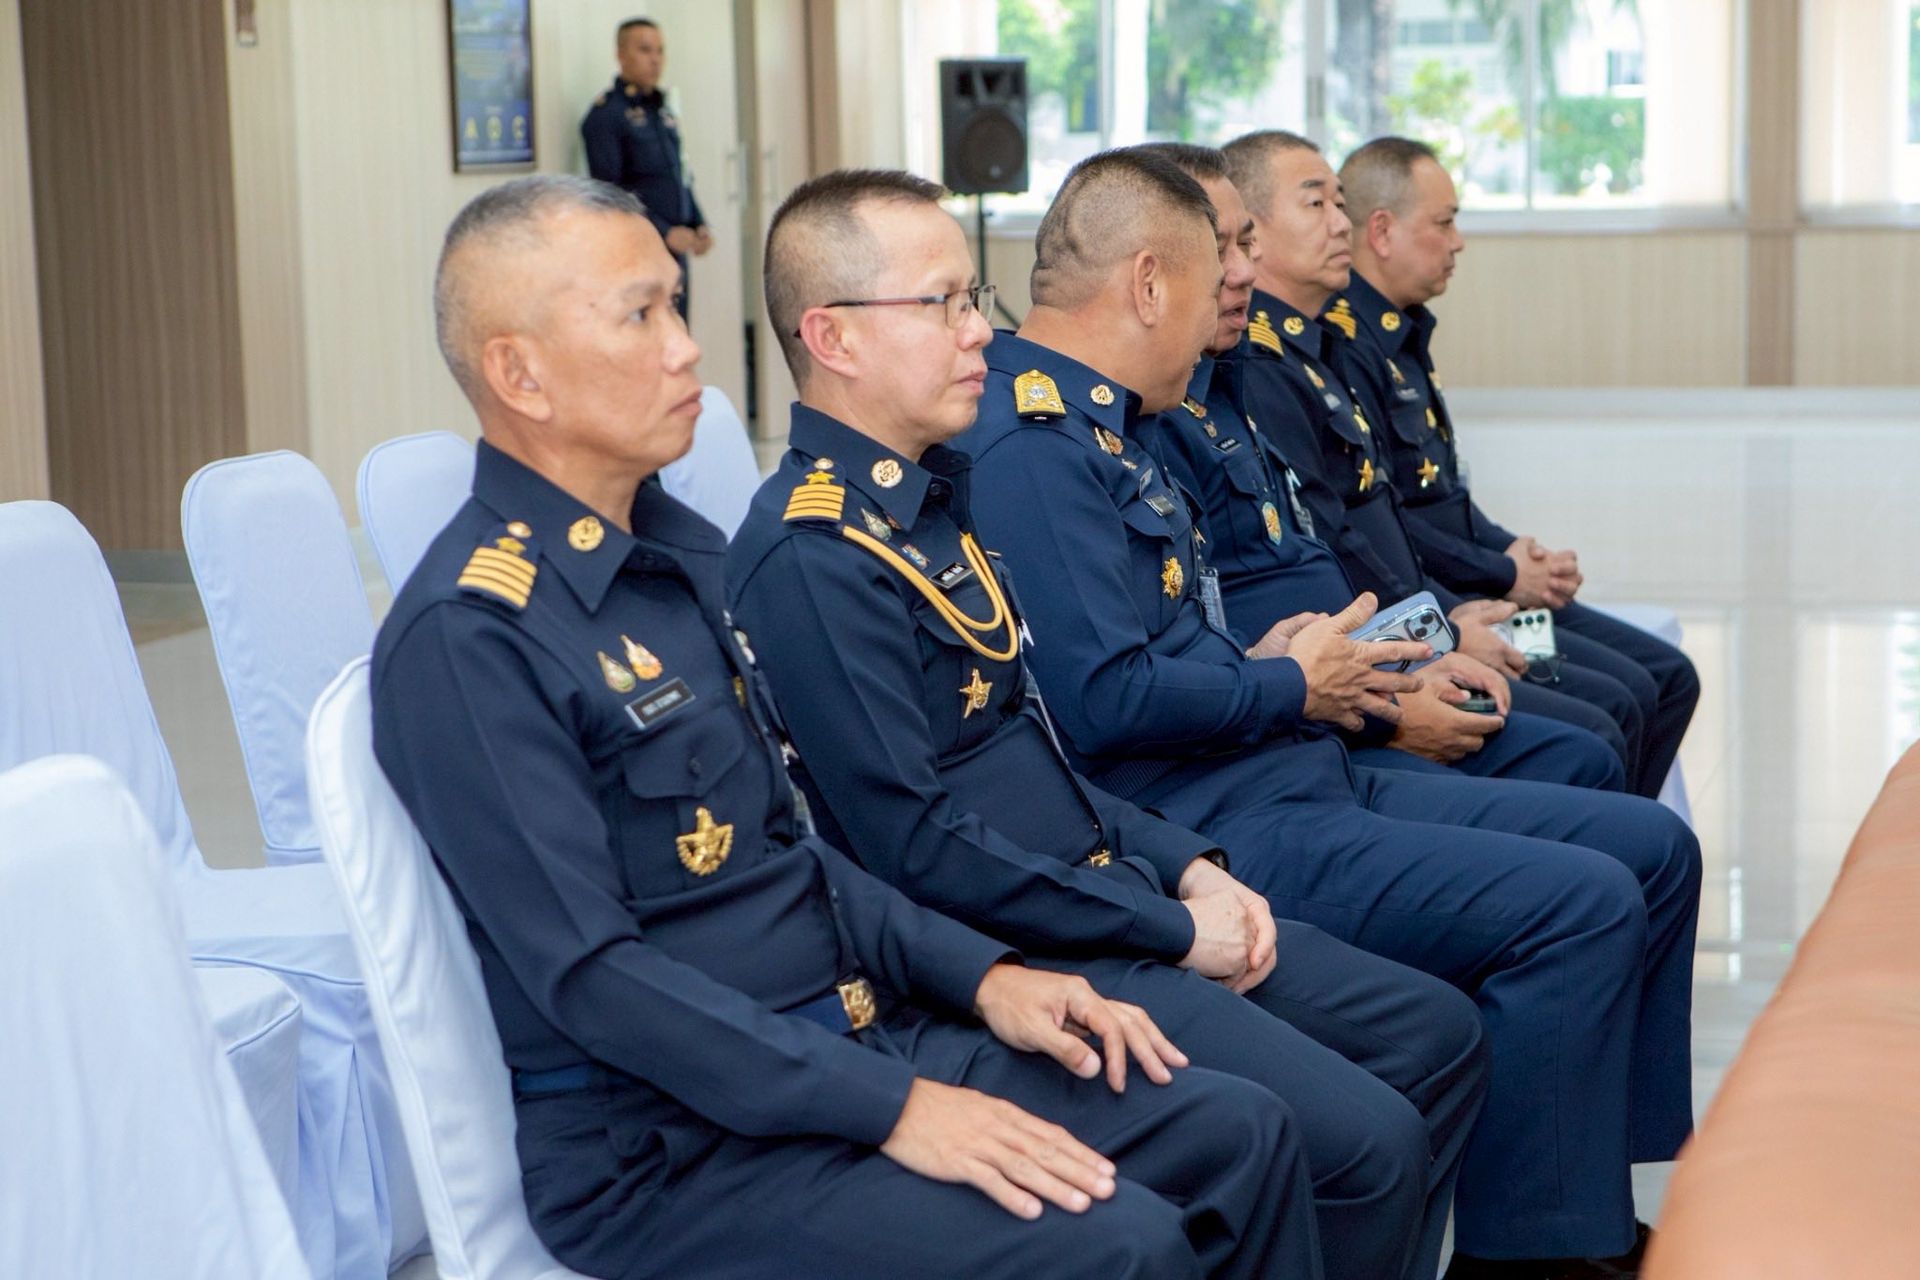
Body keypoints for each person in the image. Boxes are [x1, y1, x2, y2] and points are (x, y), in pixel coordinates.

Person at [370, 173, 1305, 1280]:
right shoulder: (472, 634)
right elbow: (595, 978)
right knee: (1124, 1244)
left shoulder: (680, 560)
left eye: (677, 306)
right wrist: (893, 1106)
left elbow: (798, 855)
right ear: (519, 372)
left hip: (850, 1032)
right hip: (676, 1144)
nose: (686, 349)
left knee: (1240, 1132)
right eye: (640, 316)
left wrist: (987, 977)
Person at [726, 167, 1492, 1280]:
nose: (978, 331)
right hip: (1027, 943)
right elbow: (917, 848)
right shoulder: (815, 555)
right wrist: (1166, 925)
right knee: (1357, 1142)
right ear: (832, 338)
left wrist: (1186, 867)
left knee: (1432, 1036)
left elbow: (1034, 751)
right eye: (941, 304)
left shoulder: (929, 500)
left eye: (972, 298)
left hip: (1106, 884)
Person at [954, 148, 1701, 1279]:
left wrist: (1291, 660)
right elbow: (1101, 700)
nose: (1237, 287)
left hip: (1287, 751)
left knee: (1639, 823)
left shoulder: (1132, 417)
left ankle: (1573, 1199)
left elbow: (1191, 623)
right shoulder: (1044, 442)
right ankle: (1541, 1244)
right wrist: (1303, 680)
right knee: (1585, 881)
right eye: (1220, 262)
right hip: (1222, 814)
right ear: (1151, 283)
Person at [1128, 141, 1624, 792]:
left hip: (1390, 641)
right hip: (1324, 697)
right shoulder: (1237, 377)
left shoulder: (1273, 364)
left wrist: (1479, 588)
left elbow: (1410, 507)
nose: (1344, 224)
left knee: (1627, 701)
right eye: (1317, 205)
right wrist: (1434, 645)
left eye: (1341, 204)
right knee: (1598, 734)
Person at [1337, 134, 1701, 800]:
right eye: (1444, 222)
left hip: (1473, 591)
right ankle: (1615, 845)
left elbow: (1442, 496)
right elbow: (1387, 527)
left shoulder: (1402, 333)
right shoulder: (1346, 349)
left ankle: (1630, 838)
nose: (1458, 242)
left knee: (1665, 675)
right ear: (1382, 232)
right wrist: (1501, 576)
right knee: (1615, 702)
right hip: (1452, 601)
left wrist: (1512, 553)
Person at [582, 17, 711, 319]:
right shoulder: (606, 116)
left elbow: (680, 173)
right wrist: (664, 232)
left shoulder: (661, 110)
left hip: (676, 252)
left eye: (660, 51)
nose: (655, 59)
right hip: (639, 251)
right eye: (645, 50)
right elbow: (611, 194)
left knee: (678, 332)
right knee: (649, 336)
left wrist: (698, 222)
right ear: (621, 55)